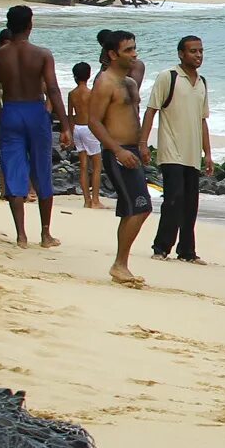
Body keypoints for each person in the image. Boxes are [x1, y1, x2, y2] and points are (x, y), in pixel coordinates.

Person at [0, 5, 71, 247]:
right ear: (30, 25)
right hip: (35, 111)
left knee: (14, 169)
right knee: (41, 169)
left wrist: (0, 114)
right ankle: (45, 234)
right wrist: (66, 125)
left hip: (12, 110)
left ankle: (21, 236)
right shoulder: (42, 54)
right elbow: (54, 89)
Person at [140, 35, 213, 264]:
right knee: (174, 199)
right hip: (171, 150)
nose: (198, 55)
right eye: (193, 51)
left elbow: (202, 120)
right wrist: (143, 144)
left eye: (200, 51)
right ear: (181, 54)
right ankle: (161, 247)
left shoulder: (202, 82)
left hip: (192, 155)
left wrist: (208, 153)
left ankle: (187, 252)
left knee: (191, 203)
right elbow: (151, 110)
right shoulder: (168, 77)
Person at [90, 31, 152, 285]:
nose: (134, 54)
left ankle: (121, 263)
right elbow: (94, 121)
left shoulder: (130, 83)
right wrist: (117, 150)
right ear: (113, 54)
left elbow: (134, 117)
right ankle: (119, 264)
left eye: (134, 48)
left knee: (136, 208)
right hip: (117, 153)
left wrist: (141, 146)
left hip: (133, 151)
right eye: (128, 50)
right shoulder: (104, 83)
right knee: (140, 207)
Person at [68, 60, 103, 209]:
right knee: (96, 166)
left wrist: (69, 133)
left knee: (83, 166)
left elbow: (70, 115)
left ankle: (86, 200)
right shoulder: (91, 93)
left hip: (77, 128)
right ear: (89, 76)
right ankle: (95, 200)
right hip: (89, 129)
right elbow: (97, 115)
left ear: (74, 76)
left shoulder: (71, 94)